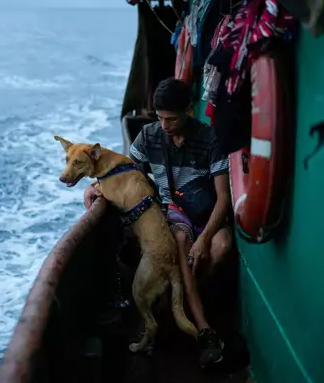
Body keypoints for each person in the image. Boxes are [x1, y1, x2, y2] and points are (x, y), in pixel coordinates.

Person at [83, 77, 232, 366]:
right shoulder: (150, 135)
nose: (164, 125)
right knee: (179, 241)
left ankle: (182, 300)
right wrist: (95, 187)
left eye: (171, 119)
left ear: (190, 110)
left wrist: (204, 240)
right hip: (174, 212)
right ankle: (204, 329)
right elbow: (125, 174)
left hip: (206, 213)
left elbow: (224, 199)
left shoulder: (210, 139)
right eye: (160, 118)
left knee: (222, 246)